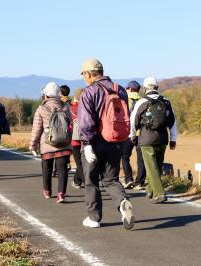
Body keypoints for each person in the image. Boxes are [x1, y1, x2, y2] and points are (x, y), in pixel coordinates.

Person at [78, 58, 134, 230]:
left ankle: (94, 218)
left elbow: (86, 120)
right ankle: (122, 201)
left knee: (91, 180)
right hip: (116, 142)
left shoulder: (89, 91)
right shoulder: (120, 90)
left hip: (94, 143)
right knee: (111, 180)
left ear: (88, 74)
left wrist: (86, 143)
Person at [130, 76, 177, 203]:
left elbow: (133, 121)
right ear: (156, 87)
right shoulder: (166, 101)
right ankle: (150, 190)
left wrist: (132, 136)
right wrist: (173, 139)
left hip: (146, 139)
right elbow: (173, 122)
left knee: (151, 167)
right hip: (162, 139)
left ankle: (159, 193)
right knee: (157, 165)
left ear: (145, 88)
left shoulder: (141, 102)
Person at [29, 82, 72, 203]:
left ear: (46, 95)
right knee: (62, 169)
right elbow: (70, 126)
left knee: (46, 168)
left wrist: (33, 145)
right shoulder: (65, 107)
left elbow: (37, 129)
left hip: (47, 143)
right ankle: (61, 194)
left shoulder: (41, 108)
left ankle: (47, 191)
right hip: (64, 144)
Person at [121, 80, 146, 189]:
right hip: (141, 133)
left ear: (130, 89)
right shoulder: (143, 101)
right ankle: (139, 182)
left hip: (127, 133)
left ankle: (128, 179)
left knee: (125, 156)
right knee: (141, 159)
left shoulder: (124, 99)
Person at [70, 88, 85, 189]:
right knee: (84, 162)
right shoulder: (86, 108)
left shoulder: (70, 108)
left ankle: (87, 182)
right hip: (86, 138)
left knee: (79, 163)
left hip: (74, 139)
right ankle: (76, 181)